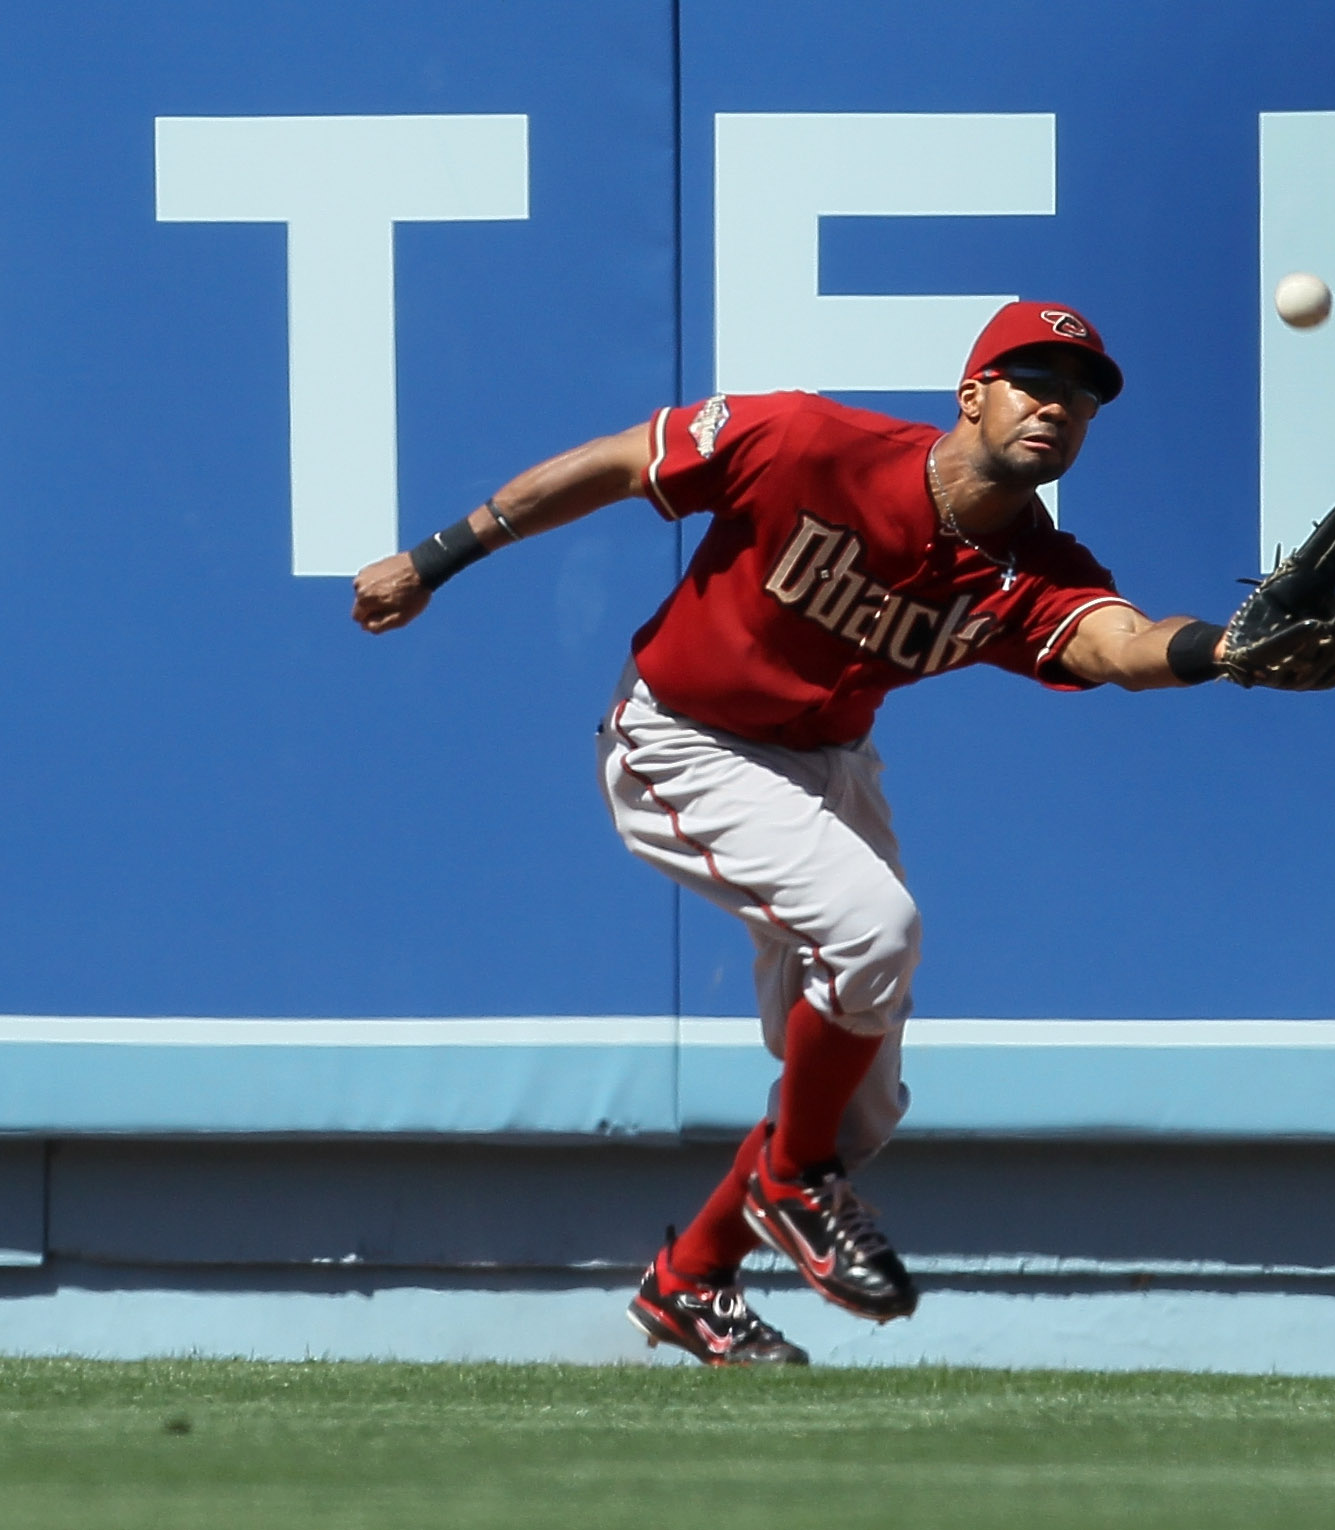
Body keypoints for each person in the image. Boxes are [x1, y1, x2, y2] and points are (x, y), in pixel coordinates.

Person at [351, 301, 1238, 1366]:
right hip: (681, 737)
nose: (1056, 404)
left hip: (825, 768)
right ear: (972, 396)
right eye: (1031, 380)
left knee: (853, 1112)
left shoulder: (1034, 566)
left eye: (1080, 395)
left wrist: (1230, 648)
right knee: (873, 932)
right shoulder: (812, 444)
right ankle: (784, 1185)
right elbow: (616, 464)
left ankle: (693, 1280)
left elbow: (1122, 643)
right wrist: (437, 556)